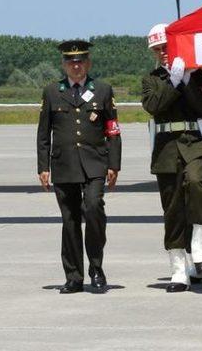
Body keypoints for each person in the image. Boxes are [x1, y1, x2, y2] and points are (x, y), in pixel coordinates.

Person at [36, 40, 121, 294]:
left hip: (95, 163)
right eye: (71, 62)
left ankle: (96, 267)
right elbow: (44, 133)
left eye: (81, 61)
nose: (76, 66)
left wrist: (113, 164)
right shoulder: (52, 92)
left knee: (94, 208)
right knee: (70, 219)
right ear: (64, 65)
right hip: (64, 165)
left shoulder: (102, 90)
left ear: (88, 63)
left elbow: (113, 130)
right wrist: (43, 166)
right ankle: (73, 276)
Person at [141, 23, 202, 293]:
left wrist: (186, 81)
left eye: (166, 47)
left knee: (196, 184)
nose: (162, 53)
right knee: (172, 210)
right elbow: (153, 105)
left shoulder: (197, 77)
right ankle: (179, 269)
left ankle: (200, 242)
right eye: (157, 49)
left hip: (195, 143)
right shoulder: (152, 80)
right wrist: (172, 81)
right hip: (167, 148)